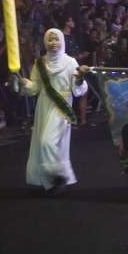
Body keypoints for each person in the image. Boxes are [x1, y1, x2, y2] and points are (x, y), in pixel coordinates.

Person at [19, 29, 88, 194]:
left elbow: (78, 89)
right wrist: (24, 83)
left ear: (62, 41)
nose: (53, 43)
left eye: (56, 39)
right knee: (52, 144)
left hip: (62, 107)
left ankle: (57, 176)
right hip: (44, 106)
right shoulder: (40, 63)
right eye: (50, 40)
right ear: (45, 42)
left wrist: (80, 78)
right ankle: (52, 182)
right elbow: (35, 88)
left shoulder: (70, 62)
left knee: (47, 142)